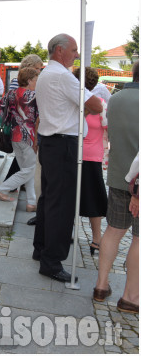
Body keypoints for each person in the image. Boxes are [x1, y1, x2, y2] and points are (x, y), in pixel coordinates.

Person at [32, 34, 103, 283]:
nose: (76, 54)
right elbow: (96, 105)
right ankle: (52, 261)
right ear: (59, 51)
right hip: (63, 144)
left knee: (49, 200)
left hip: (52, 142)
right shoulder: (62, 76)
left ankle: (41, 249)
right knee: (61, 204)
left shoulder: (46, 74)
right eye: (73, 50)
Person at [93, 61, 138, 313]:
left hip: (119, 175)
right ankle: (131, 296)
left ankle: (101, 285)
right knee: (139, 239)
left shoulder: (116, 98)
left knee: (113, 230)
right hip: (138, 181)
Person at [0, 67, 39, 210]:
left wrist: (13, 116)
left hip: (14, 136)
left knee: (26, 169)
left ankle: (31, 203)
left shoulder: (11, 93)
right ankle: (0, 189)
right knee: (30, 169)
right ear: (29, 80)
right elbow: (39, 119)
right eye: (36, 79)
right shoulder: (34, 96)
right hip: (29, 137)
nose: (37, 82)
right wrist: (36, 140)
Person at [72, 67, 108, 256]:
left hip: (76, 154)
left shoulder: (74, 102)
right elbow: (108, 129)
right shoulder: (100, 104)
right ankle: (96, 240)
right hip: (92, 156)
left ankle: (68, 232)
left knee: (71, 195)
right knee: (93, 200)